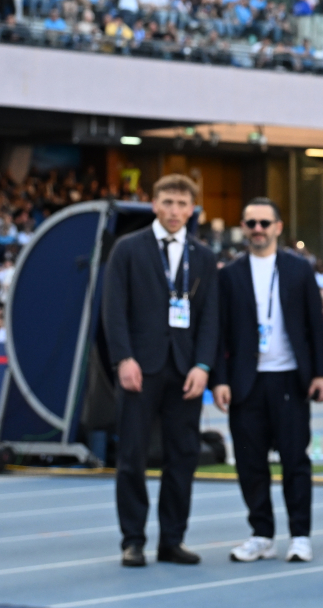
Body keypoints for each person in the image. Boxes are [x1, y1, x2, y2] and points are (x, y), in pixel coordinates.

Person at [101, 174, 218, 567]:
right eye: (167, 202)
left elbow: (211, 318)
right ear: (154, 204)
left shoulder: (203, 256)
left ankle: (172, 539)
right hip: (140, 367)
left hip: (185, 370)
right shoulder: (128, 248)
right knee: (132, 456)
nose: (174, 211)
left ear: (192, 209)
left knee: (183, 456)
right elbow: (113, 308)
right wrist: (123, 358)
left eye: (182, 204)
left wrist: (203, 365)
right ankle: (132, 540)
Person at [212, 198, 323, 564]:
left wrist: (321, 373)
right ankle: (261, 534)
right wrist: (220, 380)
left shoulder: (299, 270)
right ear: (243, 228)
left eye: (265, 223)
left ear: (278, 227)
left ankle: (300, 536)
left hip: (290, 381)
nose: (258, 229)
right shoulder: (229, 274)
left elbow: (315, 326)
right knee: (250, 464)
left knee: (295, 461)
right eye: (251, 223)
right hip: (246, 383)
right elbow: (219, 332)